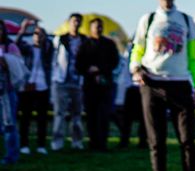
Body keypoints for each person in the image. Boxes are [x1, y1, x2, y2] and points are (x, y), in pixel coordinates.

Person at [131, 0, 195, 171]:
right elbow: (138, 48)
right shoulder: (148, 19)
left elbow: (193, 56)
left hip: (180, 84)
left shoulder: (186, 20)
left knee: (187, 138)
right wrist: (135, 67)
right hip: (152, 83)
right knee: (156, 139)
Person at [75, 18, 120, 151]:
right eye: (95, 27)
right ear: (90, 29)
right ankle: (93, 142)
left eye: (100, 27)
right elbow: (79, 64)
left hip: (105, 84)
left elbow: (114, 62)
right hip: (90, 85)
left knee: (104, 114)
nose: (98, 29)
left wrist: (100, 69)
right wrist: (89, 70)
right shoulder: (84, 45)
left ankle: (102, 143)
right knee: (91, 115)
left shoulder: (109, 44)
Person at [50, 13, 86, 151]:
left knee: (77, 114)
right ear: (69, 23)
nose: (75, 24)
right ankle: (57, 142)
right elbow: (54, 58)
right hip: (61, 81)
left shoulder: (84, 40)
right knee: (59, 113)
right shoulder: (61, 39)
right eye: (73, 21)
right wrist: (55, 77)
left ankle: (77, 142)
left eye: (78, 21)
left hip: (78, 82)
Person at [17, 25, 53, 154]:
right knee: (25, 117)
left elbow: (49, 46)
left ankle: (41, 145)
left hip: (43, 87)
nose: (38, 36)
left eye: (41, 33)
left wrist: (44, 39)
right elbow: (16, 45)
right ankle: (24, 145)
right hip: (28, 86)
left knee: (42, 118)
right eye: (36, 33)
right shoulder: (28, 48)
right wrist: (23, 30)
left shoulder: (47, 49)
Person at [0, 48, 29, 165]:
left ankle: (11, 156)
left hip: (6, 93)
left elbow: (17, 69)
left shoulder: (9, 47)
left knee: (9, 126)